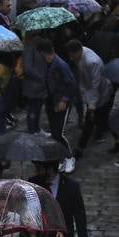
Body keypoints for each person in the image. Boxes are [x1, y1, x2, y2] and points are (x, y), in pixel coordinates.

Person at [36, 38, 78, 174]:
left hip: (61, 103)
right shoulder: (46, 64)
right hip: (51, 102)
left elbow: (71, 84)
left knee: (59, 133)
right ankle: (62, 158)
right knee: (54, 133)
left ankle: (70, 158)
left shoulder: (60, 65)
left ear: (42, 53)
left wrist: (64, 100)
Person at [66, 39, 113, 158]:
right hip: (92, 93)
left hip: (99, 94)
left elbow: (95, 86)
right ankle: (116, 137)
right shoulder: (81, 56)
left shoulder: (92, 62)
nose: (71, 59)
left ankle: (80, 149)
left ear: (78, 52)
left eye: (72, 56)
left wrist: (91, 105)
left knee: (90, 121)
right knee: (99, 119)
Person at [18, 35, 48, 134]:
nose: (39, 37)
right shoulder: (29, 49)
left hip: (39, 85)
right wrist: (40, 77)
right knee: (33, 109)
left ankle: (37, 129)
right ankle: (32, 131)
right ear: (32, 37)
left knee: (38, 108)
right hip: (33, 86)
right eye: (36, 35)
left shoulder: (36, 48)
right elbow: (28, 68)